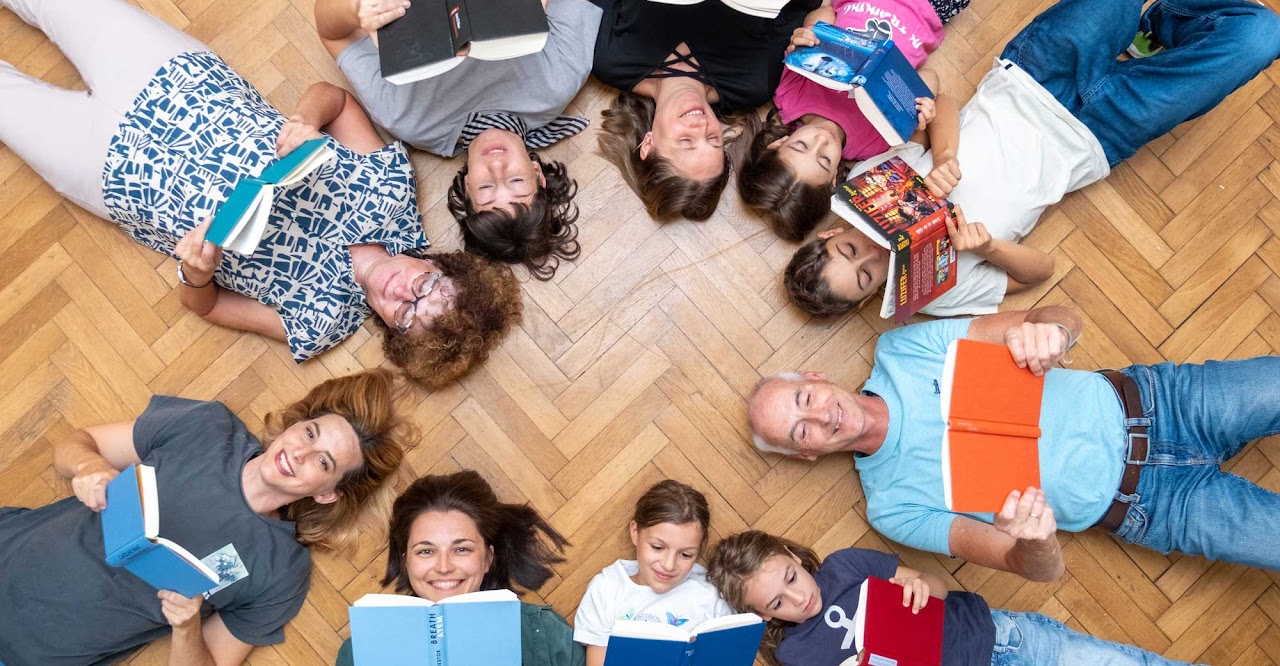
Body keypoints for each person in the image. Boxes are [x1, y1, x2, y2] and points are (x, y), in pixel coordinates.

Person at [0, 0, 523, 388]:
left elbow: (204, 306)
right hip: (179, 83)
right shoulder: (390, 193)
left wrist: (197, 273)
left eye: (408, 318)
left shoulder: (318, 323)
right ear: (442, 266)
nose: (403, 295)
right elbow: (336, 102)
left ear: (393, 332)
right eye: (428, 289)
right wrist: (304, 121)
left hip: (111, 175)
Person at [784, 0, 1280, 318]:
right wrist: (987, 248)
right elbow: (1042, 270)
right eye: (867, 276)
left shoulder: (867, 179)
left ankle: (1155, 23)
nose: (872, 255)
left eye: (851, 252)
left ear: (832, 232)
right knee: (1262, 34)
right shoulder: (936, 293)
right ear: (874, 297)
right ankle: (1152, 29)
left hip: (1032, 76)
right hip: (1103, 133)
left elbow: (947, 102)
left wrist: (946, 154)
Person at [746, 305, 1280, 583]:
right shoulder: (891, 508)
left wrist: (1054, 334)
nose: (819, 415)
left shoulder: (903, 351)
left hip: (1165, 400)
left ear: (814, 376)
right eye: (801, 431)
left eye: (804, 398)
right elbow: (1034, 571)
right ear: (807, 454)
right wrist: (1038, 542)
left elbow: (1058, 314)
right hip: (1157, 509)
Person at [0, 369, 409, 665]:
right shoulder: (208, 427)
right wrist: (88, 465)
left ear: (327, 492)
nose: (299, 454)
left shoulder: (281, 572)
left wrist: (187, 627)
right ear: (297, 423)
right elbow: (76, 444)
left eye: (323, 461)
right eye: (310, 433)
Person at [314, 0, 599, 279]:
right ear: (538, 175)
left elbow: (332, 33)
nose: (497, 167)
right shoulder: (558, 82)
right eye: (516, 182)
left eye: (486, 188)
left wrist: (356, 10)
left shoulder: (409, 120)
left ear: (467, 186)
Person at [707, 530, 1193, 665]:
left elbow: (933, 584)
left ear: (793, 555)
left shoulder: (844, 565)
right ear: (760, 615)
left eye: (791, 578)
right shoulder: (794, 653)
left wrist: (920, 586)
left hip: (997, 642)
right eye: (776, 604)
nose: (797, 599)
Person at [740, 0, 964, 240]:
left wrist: (808, 33)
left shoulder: (790, 96)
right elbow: (929, 76)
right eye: (824, 160)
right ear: (832, 180)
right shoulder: (874, 145)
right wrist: (921, 105)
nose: (821, 140)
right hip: (926, 12)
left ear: (777, 143)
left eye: (801, 145)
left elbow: (826, 10)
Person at [592, 0, 820, 221]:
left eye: (686, 141)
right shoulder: (753, 81)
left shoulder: (612, 61)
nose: (701, 126)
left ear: (648, 145)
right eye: (713, 138)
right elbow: (802, 6)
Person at [335, 470, 583, 666]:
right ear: (405, 563)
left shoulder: (546, 636)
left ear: (488, 559)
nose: (443, 567)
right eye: (426, 551)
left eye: (462, 549)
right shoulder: (359, 653)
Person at [573, 479, 733, 666]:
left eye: (686, 554)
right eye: (657, 547)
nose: (669, 564)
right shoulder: (607, 589)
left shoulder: (710, 594)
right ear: (635, 533)